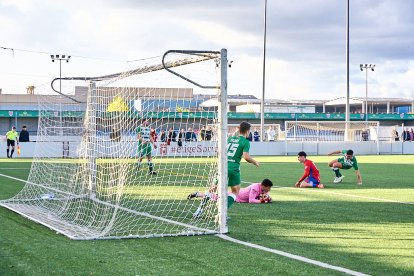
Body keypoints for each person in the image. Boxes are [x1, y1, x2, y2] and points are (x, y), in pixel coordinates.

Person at [191, 121, 259, 217]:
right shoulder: (246, 142)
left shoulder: (230, 138)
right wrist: (255, 162)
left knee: (213, 189)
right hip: (233, 168)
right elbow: (246, 157)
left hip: (222, 166)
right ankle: (222, 213)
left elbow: (220, 151)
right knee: (235, 191)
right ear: (248, 131)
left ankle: (199, 211)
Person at [188, 178, 273, 204]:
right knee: (218, 198)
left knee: (218, 197)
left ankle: (201, 193)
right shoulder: (255, 187)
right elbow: (251, 200)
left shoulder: (263, 189)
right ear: (263, 186)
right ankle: (199, 194)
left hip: (238, 194)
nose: (269, 190)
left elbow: (267, 197)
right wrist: (262, 201)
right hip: (237, 195)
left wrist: (268, 198)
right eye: (268, 188)